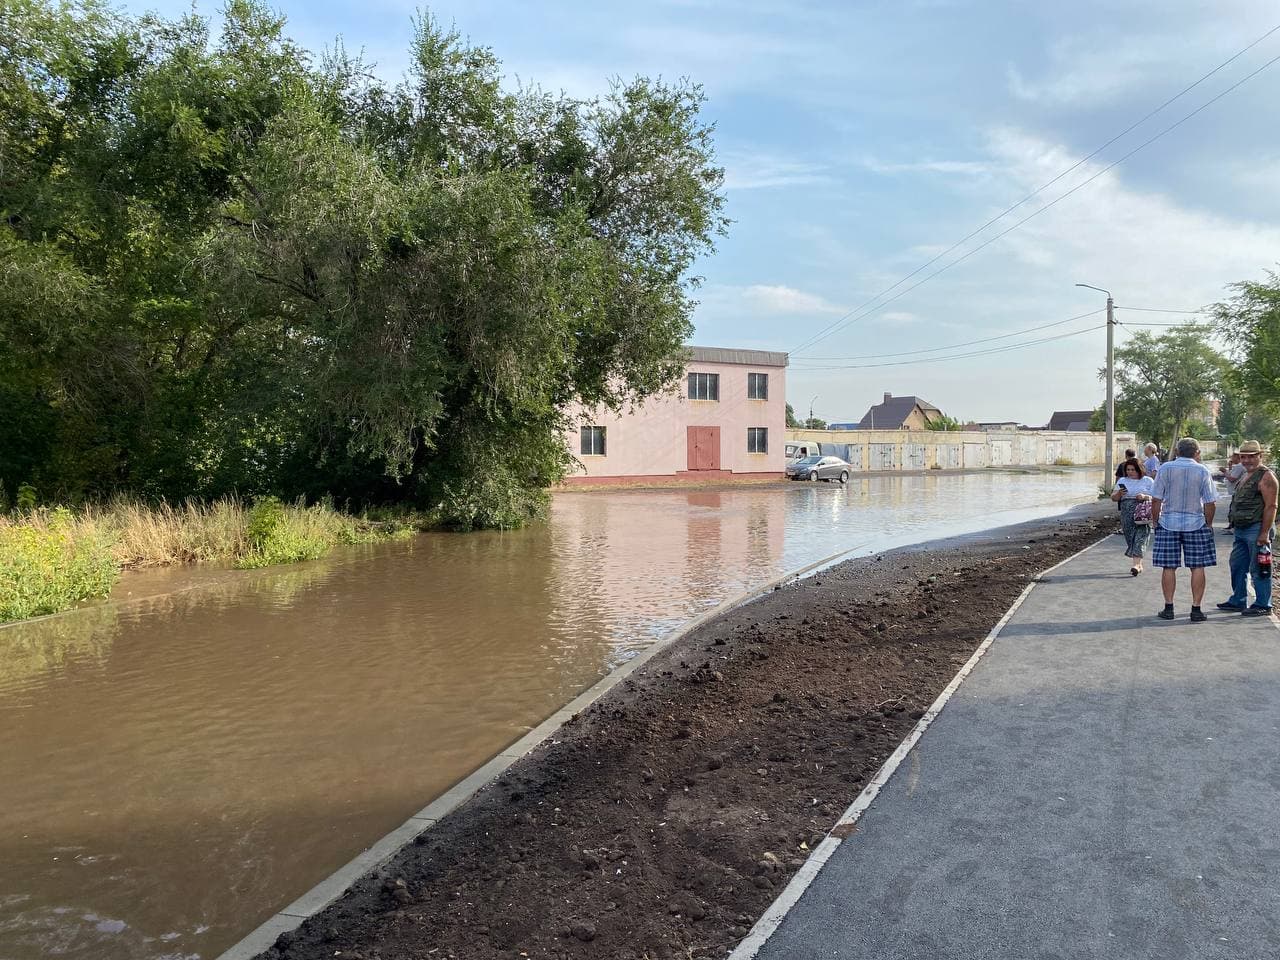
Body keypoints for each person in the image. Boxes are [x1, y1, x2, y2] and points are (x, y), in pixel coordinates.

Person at [1150, 437, 1217, 622]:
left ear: (1177, 452)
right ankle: (1196, 609)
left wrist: (1155, 522)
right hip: (1195, 523)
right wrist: (1208, 524)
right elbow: (1210, 502)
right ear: (1197, 453)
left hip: (1168, 523)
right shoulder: (1202, 470)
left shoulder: (1165, 468)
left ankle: (1169, 607)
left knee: (1169, 566)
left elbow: (1156, 499)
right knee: (1197, 566)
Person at [1216, 440, 1278, 616]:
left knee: (1259, 568)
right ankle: (1238, 599)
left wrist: (1264, 533)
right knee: (1237, 565)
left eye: (1251, 457)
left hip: (1257, 529)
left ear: (1260, 456)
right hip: (1242, 529)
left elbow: (1271, 506)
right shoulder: (1246, 474)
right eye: (1244, 457)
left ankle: (1263, 604)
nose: (1247, 460)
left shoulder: (1266, 476)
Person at [1111, 457, 1154, 575]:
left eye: (1133, 470)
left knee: (1140, 537)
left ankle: (1135, 564)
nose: (1130, 472)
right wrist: (1119, 494)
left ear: (1139, 469)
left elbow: (1157, 497)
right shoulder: (1122, 481)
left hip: (1143, 512)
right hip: (1126, 512)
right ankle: (1139, 564)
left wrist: (1145, 496)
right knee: (1130, 537)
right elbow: (1113, 498)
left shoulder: (1148, 481)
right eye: (1128, 469)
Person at [1212, 452, 1246, 533]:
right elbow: (1231, 474)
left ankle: (1233, 527)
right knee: (1233, 509)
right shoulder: (1237, 466)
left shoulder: (1239, 466)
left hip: (1236, 491)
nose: (1231, 458)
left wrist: (1224, 471)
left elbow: (1232, 478)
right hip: (1235, 492)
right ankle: (1231, 525)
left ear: (1238, 457)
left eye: (1233, 457)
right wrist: (1230, 467)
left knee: (1234, 509)